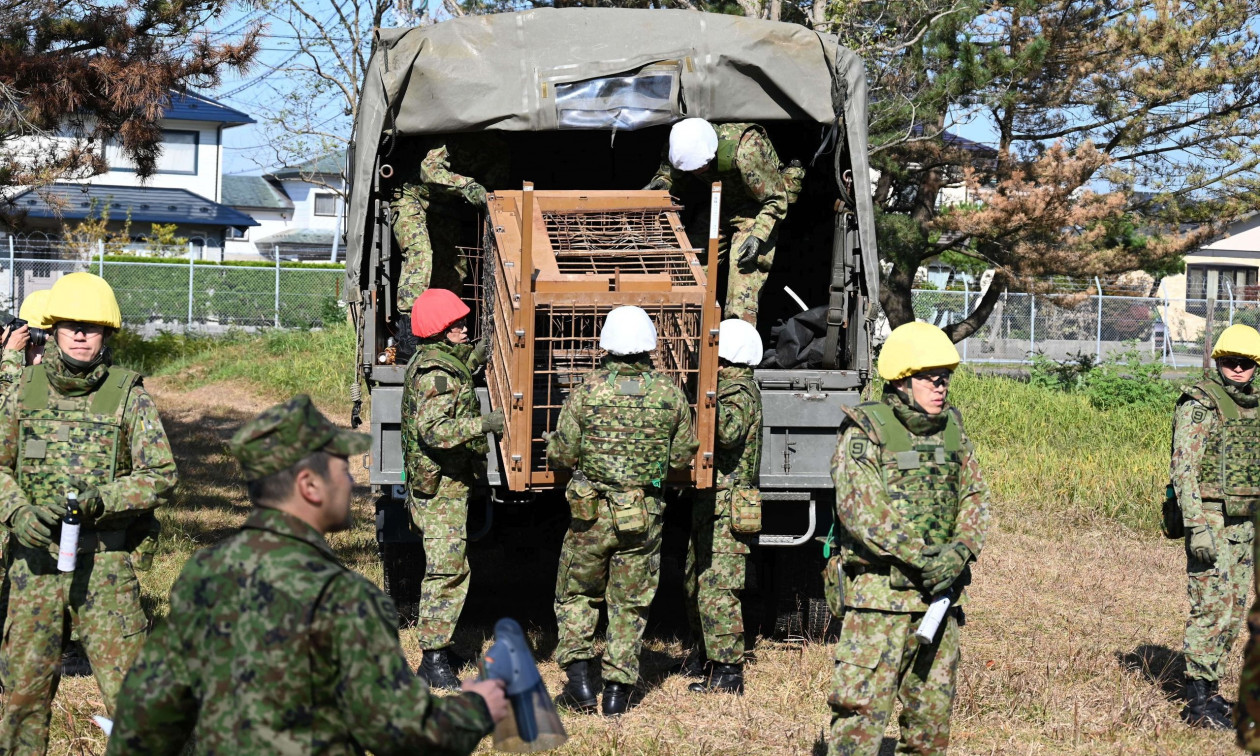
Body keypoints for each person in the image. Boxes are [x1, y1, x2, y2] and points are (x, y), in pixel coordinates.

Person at [104, 395, 508, 754]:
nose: (351, 483)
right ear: (309, 485)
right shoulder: (347, 598)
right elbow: (403, 734)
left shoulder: (204, 575)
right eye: (341, 471)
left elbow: (151, 716)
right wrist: (478, 707)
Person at [0, 272, 178, 755]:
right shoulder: (23, 390)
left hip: (105, 568)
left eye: (93, 327)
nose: (81, 335)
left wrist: (104, 500)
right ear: (54, 330)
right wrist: (17, 510)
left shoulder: (129, 396)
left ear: (107, 335)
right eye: (72, 325)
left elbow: (161, 474)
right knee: (22, 700)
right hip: (33, 569)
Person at [827, 322, 989, 756]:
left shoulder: (953, 428)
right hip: (880, 603)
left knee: (931, 723)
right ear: (902, 379)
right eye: (931, 378)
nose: (942, 386)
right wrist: (926, 558)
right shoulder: (866, 431)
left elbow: (975, 494)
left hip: (938, 601)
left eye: (946, 378)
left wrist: (960, 551)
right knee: (859, 721)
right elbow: (862, 511)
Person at [547, 305, 699, 716]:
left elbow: (562, 454)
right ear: (649, 344)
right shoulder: (669, 394)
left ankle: (579, 686)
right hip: (643, 515)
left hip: (590, 516)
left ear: (607, 345)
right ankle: (616, 695)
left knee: (577, 594)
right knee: (629, 604)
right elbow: (683, 456)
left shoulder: (587, 391)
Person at [402, 287, 504, 689]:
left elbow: (460, 367)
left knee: (452, 567)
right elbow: (436, 430)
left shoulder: (437, 360)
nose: (464, 328)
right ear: (440, 330)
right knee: (446, 571)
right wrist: (484, 424)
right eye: (457, 324)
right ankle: (432, 661)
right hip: (440, 488)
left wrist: (479, 353)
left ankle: (440, 649)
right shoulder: (436, 375)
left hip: (445, 485)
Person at [1170, 324, 1260, 730]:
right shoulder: (1201, 402)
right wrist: (1197, 527)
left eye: (1246, 364)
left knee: (1236, 606)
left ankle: (1211, 687)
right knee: (1212, 606)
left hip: (1245, 521)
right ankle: (1197, 701)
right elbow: (1184, 470)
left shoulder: (1255, 406)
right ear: (1218, 362)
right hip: (1210, 517)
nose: (1237, 370)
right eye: (1230, 363)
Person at [646, 118, 802, 324]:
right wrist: (662, 184)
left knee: (742, 284)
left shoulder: (747, 150)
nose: (695, 173)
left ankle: (735, 347)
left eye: (700, 167)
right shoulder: (681, 142)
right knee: (689, 267)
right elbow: (670, 171)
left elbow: (776, 198)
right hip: (720, 203)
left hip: (757, 208)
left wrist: (758, 235)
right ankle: (688, 334)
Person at [681, 319, 764, 695]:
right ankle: (705, 655)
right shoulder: (731, 387)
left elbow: (727, 434)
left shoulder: (739, 391)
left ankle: (728, 672)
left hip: (728, 506)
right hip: (713, 504)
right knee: (695, 581)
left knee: (718, 588)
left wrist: (705, 399)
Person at [390, 134, 508, 338]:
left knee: (454, 268)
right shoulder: (453, 137)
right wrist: (469, 187)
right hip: (412, 196)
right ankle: (409, 333)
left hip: (445, 208)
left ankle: (448, 329)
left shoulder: (499, 150)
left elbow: (493, 184)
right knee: (421, 256)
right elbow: (429, 170)